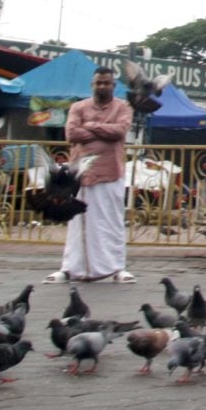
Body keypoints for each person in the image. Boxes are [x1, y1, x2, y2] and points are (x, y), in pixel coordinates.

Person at [48, 66, 134, 284]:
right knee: (77, 223)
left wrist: (91, 126)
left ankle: (117, 268)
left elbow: (120, 132)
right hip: (81, 175)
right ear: (92, 85)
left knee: (112, 222)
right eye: (98, 82)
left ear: (113, 86)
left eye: (106, 83)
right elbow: (71, 134)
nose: (102, 86)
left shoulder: (123, 107)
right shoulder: (78, 107)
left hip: (110, 172)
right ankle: (69, 269)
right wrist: (104, 129)